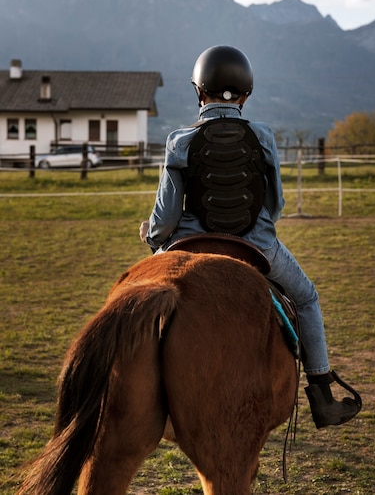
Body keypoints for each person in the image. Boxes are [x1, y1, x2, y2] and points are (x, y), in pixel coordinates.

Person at [140, 45, 362, 429]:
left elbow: (165, 217)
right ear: (245, 95)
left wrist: (153, 238)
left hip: (188, 247)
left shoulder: (179, 140)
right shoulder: (262, 136)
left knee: (136, 300)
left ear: (199, 92)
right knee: (307, 298)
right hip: (255, 245)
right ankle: (323, 394)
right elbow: (274, 206)